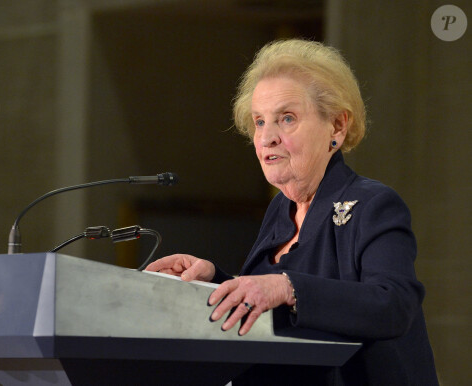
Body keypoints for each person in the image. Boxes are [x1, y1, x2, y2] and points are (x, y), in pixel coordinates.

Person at [145, 39, 438, 385]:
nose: (267, 137)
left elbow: (394, 304)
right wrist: (214, 282)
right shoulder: (279, 209)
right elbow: (273, 311)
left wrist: (288, 287)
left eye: (286, 118)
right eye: (259, 122)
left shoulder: (372, 205)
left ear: (337, 126)